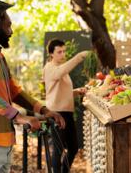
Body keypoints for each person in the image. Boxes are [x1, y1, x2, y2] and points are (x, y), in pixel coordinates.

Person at [0, 0, 65, 173]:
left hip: (4, 143)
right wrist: (19, 117)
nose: (11, 31)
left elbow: (15, 91)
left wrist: (44, 110)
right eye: (8, 25)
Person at [43, 39, 88, 173]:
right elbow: (59, 73)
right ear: (51, 54)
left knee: (73, 147)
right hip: (56, 113)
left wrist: (77, 91)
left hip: (67, 113)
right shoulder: (50, 68)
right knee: (58, 150)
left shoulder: (61, 69)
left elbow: (62, 91)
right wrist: (79, 57)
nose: (63, 54)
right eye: (59, 52)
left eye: (64, 51)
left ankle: (64, 171)